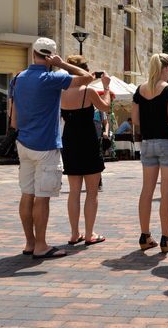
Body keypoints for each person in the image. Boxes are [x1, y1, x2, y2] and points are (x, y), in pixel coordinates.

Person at [11, 37, 93, 259]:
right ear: (51, 57)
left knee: (27, 194)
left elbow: (14, 121)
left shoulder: (17, 79)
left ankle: (30, 243)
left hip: (24, 144)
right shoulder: (51, 78)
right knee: (42, 197)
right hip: (45, 145)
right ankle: (41, 246)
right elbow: (87, 78)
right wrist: (63, 64)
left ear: (33, 54)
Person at [60, 55, 113, 246]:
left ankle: (75, 234)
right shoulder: (88, 91)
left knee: (74, 192)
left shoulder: (61, 90)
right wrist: (106, 87)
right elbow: (105, 106)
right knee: (92, 191)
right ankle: (89, 233)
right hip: (88, 140)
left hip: (69, 141)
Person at [133, 53, 168, 252]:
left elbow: (135, 120)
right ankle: (166, 238)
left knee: (147, 191)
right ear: (167, 67)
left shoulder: (140, 89)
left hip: (148, 143)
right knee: (167, 192)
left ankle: (145, 236)